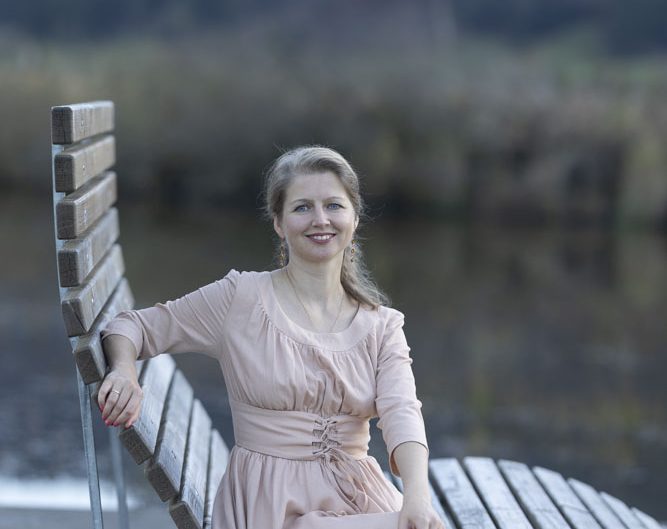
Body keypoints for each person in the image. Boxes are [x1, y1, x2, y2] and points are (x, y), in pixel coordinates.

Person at [99, 146, 445, 529]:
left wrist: (416, 496)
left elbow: (402, 412)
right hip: (272, 508)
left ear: (354, 218)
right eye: (302, 207)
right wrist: (124, 371)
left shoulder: (382, 326)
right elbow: (132, 326)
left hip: (357, 500)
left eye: (334, 205)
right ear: (279, 223)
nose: (320, 220)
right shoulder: (240, 299)